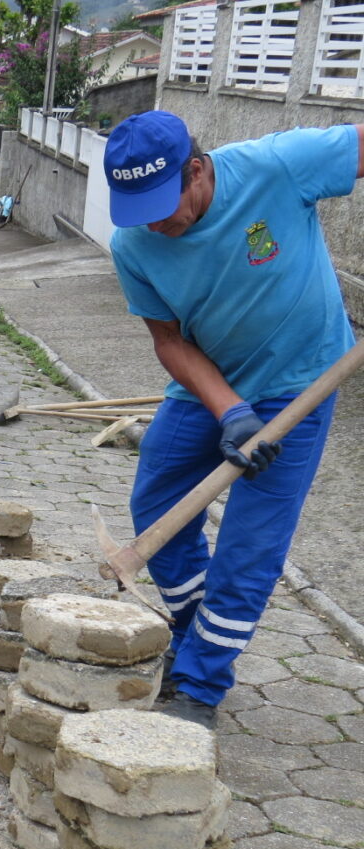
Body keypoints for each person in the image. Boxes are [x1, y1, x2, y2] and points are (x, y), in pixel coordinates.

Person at [105, 110, 364, 730]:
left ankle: (198, 685)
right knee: (158, 500)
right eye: (137, 209)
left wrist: (255, 414)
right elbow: (169, 341)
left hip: (301, 381)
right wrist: (231, 412)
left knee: (251, 545)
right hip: (207, 382)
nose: (154, 224)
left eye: (164, 205)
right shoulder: (133, 244)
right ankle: (195, 632)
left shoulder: (277, 165)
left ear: (196, 169)